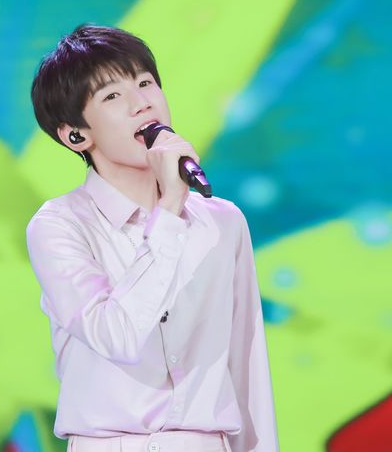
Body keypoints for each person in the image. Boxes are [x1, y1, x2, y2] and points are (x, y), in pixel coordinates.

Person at [27, 24, 279, 452]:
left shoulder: (222, 223)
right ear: (76, 135)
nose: (142, 103)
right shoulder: (59, 225)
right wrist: (170, 211)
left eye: (145, 83)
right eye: (112, 96)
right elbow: (116, 336)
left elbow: (246, 365)